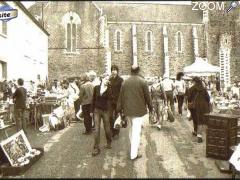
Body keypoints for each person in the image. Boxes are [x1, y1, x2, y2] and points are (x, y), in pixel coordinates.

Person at [117, 65, 153, 160]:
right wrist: (151, 108)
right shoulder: (143, 82)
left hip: (127, 110)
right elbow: (148, 97)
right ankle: (134, 154)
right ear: (138, 71)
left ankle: (134, 150)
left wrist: (119, 109)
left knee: (131, 130)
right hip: (138, 110)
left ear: (131, 71)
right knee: (136, 132)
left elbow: (120, 96)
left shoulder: (125, 82)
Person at [91, 74, 113, 156]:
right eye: (105, 78)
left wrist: (109, 88)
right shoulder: (96, 88)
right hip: (96, 110)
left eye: (108, 79)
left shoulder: (109, 89)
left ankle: (109, 141)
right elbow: (93, 99)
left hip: (106, 111)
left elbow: (111, 99)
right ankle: (96, 148)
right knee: (96, 129)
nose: (107, 80)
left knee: (107, 127)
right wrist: (91, 110)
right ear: (102, 79)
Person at [187, 77, 210, 143]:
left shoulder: (191, 89)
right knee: (201, 121)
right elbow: (208, 98)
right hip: (204, 107)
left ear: (194, 82)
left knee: (196, 119)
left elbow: (189, 99)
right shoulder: (204, 89)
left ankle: (198, 134)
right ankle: (197, 133)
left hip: (195, 107)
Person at [109, 65, 123, 139]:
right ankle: (112, 131)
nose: (113, 71)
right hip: (110, 101)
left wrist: (121, 102)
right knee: (111, 117)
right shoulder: (110, 79)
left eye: (115, 70)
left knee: (117, 117)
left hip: (118, 101)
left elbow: (122, 91)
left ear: (117, 71)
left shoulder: (120, 80)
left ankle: (116, 132)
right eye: (112, 70)